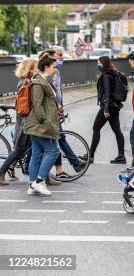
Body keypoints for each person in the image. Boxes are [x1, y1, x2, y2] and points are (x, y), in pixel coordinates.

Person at [22, 54, 61, 196]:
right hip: (39, 125)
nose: (56, 70)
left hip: (36, 125)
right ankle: (38, 181)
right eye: (54, 67)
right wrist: (46, 122)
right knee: (53, 151)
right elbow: (37, 105)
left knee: (37, 155)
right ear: (46, 67)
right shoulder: (38, 82)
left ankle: (32, 186)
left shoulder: (44, 80)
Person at [42, 48, 83, 179]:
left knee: (57, 140)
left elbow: (58, 91)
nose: (62, 57)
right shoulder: (47, 74)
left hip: (55, 109)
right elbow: (49, 93)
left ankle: (61, 170)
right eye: (59, 55)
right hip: (50, 112)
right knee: (57, 139)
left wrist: (61, 105)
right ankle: (73, 164)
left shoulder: (56, 71)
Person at [0, 59, 37, 185]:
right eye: (34, 67)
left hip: (26, 121)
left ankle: (41, 176)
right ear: (29, 69)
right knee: (19, 150)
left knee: (23, 149)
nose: (36, 69)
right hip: (25, 122)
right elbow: (25, 106)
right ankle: (2, 172)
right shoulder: (25, 84)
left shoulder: (26, 82)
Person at [89, 56, 126, 164]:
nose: (97, 65)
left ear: (103, 64)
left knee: (96, 128)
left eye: (98, 63)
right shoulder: (113, 73)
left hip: (108, 106)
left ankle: (90, 156)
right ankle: (121, 156)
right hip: (115, 106)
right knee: (117, 131)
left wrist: (105, 109)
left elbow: (107, 93)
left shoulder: (105, 76)